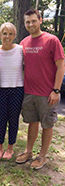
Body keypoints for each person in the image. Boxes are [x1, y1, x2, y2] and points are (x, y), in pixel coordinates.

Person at [15, 9, 65, 169]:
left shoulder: (52, 40)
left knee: (47, 125)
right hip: (29, 92)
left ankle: (42, 156)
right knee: (32, 123)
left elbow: (61, 66)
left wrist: (56, 90)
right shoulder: (24, 43)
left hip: (47, 94)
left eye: (33, 21)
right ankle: (28, 152)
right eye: (27, 22)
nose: (30, 24)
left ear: (40, 20)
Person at [0, 22, 24, 160]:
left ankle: (10, 147)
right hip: (0, 89)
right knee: (1, 120)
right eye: (5, 33)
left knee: (13, 120)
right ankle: (0, 146)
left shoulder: (20, 50)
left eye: (10, 34)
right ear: (0, 35)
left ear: (14, 35)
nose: (7, 36)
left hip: (17, 89)